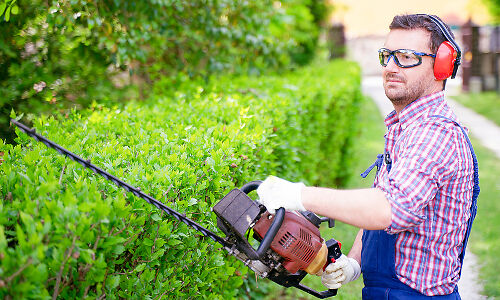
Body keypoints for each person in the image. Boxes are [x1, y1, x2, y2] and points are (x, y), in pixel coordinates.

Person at [256, 14, 479, 299]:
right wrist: (354, 263)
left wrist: (300, 195)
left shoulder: (435, 133)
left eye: (406, 57)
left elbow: (389, 208)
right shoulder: (405, 127)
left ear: (442, 65)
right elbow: (381, 198)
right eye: (387, 56)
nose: (390, 66)